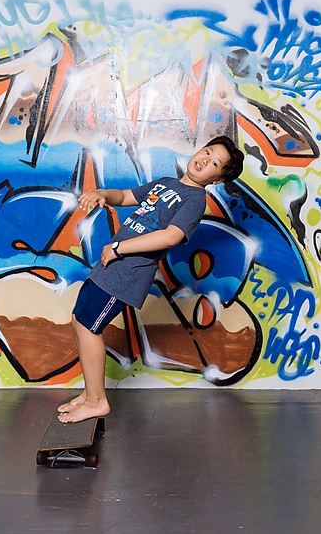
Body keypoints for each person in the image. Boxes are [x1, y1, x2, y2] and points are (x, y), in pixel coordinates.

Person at [57, 136, 245, 424]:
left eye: (215, 163)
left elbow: (170, 236)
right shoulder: (167, 183)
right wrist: (103, 194)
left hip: (128, 272)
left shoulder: (195, 200)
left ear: (217, 179)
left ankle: (97, 402)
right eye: (207, 152)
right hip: (112, 266)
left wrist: (119, 248)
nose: (205, 160)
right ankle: (89, 393)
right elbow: (126, 196)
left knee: (88, 326)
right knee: (80, 320)